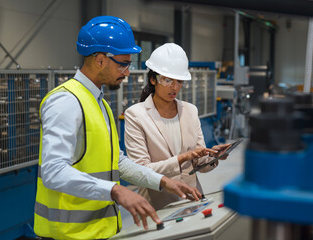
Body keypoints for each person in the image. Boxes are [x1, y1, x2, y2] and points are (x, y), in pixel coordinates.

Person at [33, 16, 202, 240]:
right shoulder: (66, 101)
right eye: (123, 64)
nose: (127, 72)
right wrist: (115, 190)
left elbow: (117, 161)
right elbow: (53, 171)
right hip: (67, 234)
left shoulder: (99, 102)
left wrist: (162, 182)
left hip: (98, 231)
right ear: (100, 60)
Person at [124, 43, 230, 210]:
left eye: (179, 81)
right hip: (157, 204)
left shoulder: (190, 111)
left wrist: (214, 157)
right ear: (153, 79)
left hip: (192, 199)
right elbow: (140, 171)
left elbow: (200, 165)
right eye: (167, 80)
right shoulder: (136, 115)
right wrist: (182, 158)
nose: (174, 87)